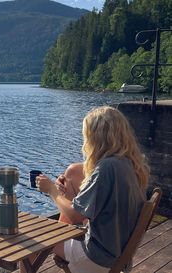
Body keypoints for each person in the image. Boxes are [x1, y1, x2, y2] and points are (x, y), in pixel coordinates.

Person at [36, 106, 149, 273]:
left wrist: (51, 190)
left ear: (95, 137)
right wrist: (66, 195)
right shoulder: (131, 164)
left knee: (34, 242)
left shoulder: (106, 168)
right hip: (118, 255)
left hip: (97, 258)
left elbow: (75, 215)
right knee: (73, 175)